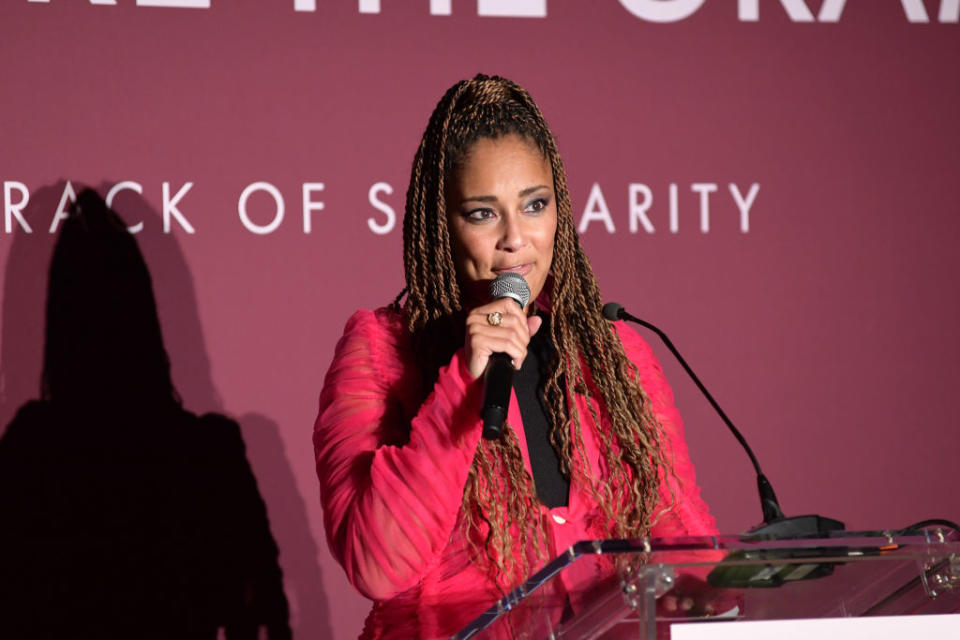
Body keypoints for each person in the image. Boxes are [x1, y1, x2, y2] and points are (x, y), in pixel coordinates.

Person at [313, 74, 718, 639]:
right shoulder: (381, 349)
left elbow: (684, 542)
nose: (515, 238)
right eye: (483, 213)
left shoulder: (615, 354)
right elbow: (376, 563)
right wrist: (463, 381)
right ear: (442, 225)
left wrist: (720, 586)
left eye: (534, 205)